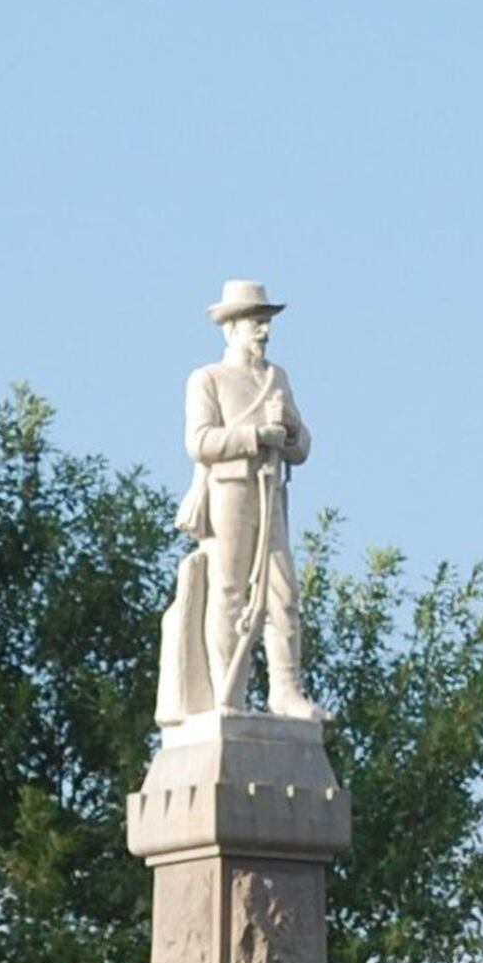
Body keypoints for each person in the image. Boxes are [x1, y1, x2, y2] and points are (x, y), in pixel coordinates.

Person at [163, 278, 316, 720]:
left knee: (283, 593)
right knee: (229, 592)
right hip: (229, 489)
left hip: (271, 490)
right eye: (255, 322)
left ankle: (286, 690)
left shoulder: (277, 378)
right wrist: (254, 436)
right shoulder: (208, 379)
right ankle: (226, 693)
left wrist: (287, 428)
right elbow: (200, 441)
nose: (263, 331)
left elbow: (302, 447)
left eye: (265, 322)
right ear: (231, 328)